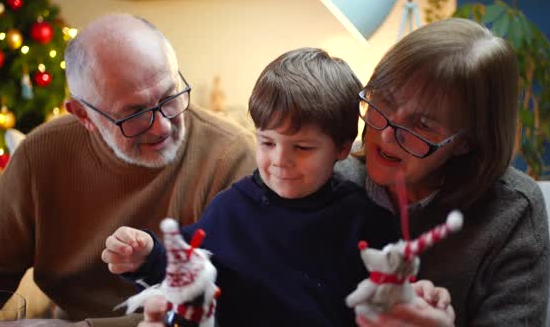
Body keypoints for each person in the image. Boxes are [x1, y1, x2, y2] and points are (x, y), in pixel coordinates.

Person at [103, 48, 454, 327]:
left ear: (343, 148)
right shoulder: (230, 208)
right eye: (267, 143)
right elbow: (187, 271)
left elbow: (393, 297)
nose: (280, 160)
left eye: (301, 148)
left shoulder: (366, 221)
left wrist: (416, 297)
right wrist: (145, 256)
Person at [0, 14, 256, 327]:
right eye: (135, 113)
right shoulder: (41, 154)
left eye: (170, 96)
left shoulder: (230, 157)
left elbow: (232, 306)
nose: (163, 125)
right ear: (84, 115)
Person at [335, 17, 550, 326]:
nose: (384, 136)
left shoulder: (512, 213)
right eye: (382, 100)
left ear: (465, 142)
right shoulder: (328, 177)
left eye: (422, 124)